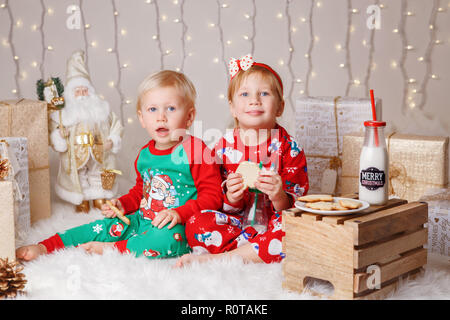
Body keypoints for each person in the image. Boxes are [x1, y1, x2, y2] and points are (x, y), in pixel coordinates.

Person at [16, 70, 223, 261]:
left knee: (164, 240)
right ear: (142, 118)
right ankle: (46, 246)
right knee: (101, 226)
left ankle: (116, 248)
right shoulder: (145, 154)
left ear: (189, 117)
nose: (161, 116)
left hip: (178, 226)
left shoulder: (195, 150)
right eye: (152, 109)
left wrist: (180, 213)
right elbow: (141, 192)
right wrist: (122, 204)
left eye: (171, 108)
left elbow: (213, 196)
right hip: (144, 219)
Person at [175, 54, 309, 267]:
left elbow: (297, 207)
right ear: (232, 107)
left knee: (294, 230)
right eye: (245, 94)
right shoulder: (223, 147)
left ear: (280, 107)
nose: (254, 100)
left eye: (264, 93)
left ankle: (220, 259)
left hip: (274, 224)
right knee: (196, 222)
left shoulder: (289, 149)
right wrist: (231, 197)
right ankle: (253, 252)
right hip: (236, 227)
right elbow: (214, 198)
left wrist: (279, 195)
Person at [49, 50, 124, 213]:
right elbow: (54, 130)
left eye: (85, 90)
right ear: (71, 94)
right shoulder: (65, 115)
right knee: (78, 175)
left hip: (99, 149)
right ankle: (80, 200)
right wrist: (59, 136)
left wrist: (112, 139)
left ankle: (99, 197)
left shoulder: (102, 110)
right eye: (78, 91)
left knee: (98, 172)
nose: (82, 94)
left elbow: (116, 124)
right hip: (76, 152)